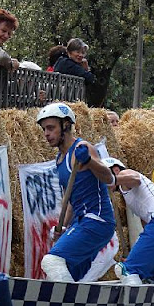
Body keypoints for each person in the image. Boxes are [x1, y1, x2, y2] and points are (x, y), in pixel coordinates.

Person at [36, 102, 116, 282]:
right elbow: (70, 200)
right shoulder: (60, 159)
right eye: (44, 129)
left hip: (97, 220)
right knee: (62, 276)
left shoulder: (83, 148)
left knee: (52, 261)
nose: (46, 134)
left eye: (50, 128)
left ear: (65, 125)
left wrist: (90, 162)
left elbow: (109, 179)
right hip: (82, 222)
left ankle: (63, 304)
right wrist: (61, 226)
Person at [102, 158, 154, 285]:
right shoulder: (132, 194)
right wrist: (140, 252)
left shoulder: (125, 175)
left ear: (115, 169)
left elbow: (134, 178)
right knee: (153, 278)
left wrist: (112, 179)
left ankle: (131, 302)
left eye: (103, 174)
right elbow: (146, 223)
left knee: (127, 270)